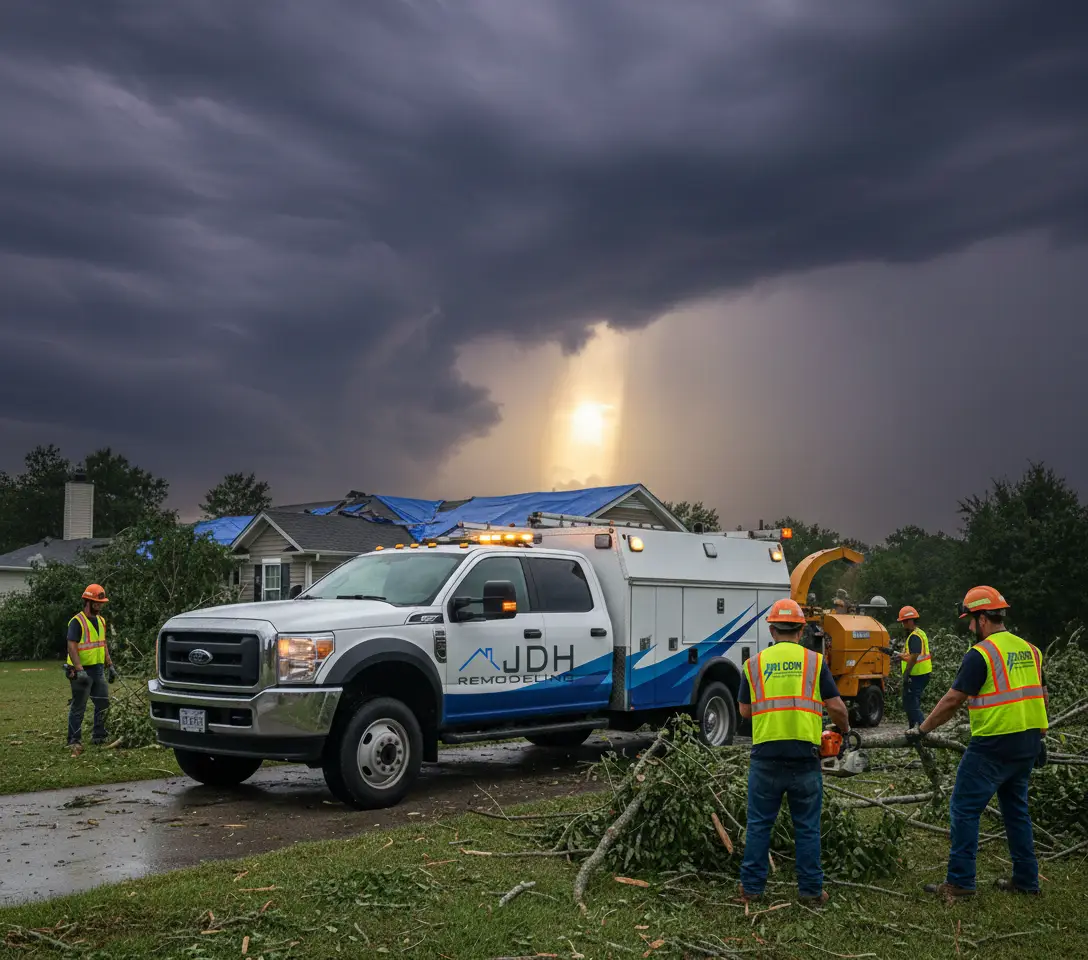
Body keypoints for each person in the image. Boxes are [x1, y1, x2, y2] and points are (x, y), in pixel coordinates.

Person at [911, 586, 1047, 899]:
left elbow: (953, 699)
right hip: (1027, 743)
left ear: (983, 618)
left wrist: (922, 729)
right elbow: (1042, 695)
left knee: (964, 808)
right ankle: (1027, 881)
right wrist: (1041, 735)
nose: (971, 628)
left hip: (993, 745)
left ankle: (959, 884)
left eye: (971, 622)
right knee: (1016, 812)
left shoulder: (981, 653)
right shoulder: (1031, 650)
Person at [737, 598, 851, 906]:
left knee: (760, 824)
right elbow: (837, 708)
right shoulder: (815, 663)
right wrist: (846, 731)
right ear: (801, 631)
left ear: (772, 630)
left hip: (766, 758)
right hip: (804, 758)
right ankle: (811, 891)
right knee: (807, 827)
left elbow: (745, 712)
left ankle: (751, 890)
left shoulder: (753, 665)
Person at [65, 584, 117, 756]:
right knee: (79, 706)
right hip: (79, 669)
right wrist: (79, 670)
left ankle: (99, 735)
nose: (99, 605)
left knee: (103, 702)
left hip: (97, 668)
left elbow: (103, 644)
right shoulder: (77, 621)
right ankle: (74, 740)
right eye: (96, 602)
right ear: (87, 601)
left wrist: (110, 664)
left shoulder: (101, 620)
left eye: (101, 603)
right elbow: (71, 646)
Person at [896, 605, 932, 728]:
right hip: (921, 673)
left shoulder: (915, 636)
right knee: (908, 701)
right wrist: (901, 656)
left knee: (912, 703)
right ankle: (912, 728)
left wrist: (906, 673)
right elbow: (911, 655)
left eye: (904, 622)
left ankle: (923, 729)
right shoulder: (918, 633)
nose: (903, 625)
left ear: (911, 621)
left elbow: (914, 656)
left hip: (917, 674)